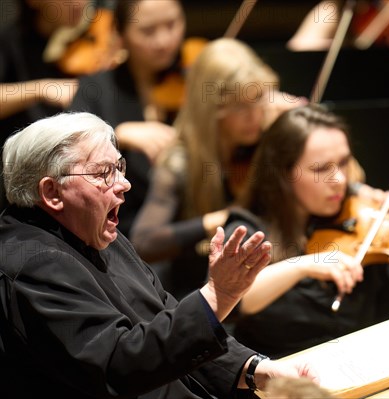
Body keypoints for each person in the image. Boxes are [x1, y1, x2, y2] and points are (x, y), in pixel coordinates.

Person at [0, 111, 317, 398]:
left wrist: (255, 369)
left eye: (119, 168)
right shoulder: (35, 264)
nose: (124, 184)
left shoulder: (98, 233)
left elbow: (165, 322)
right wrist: (217, 294)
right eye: (102, 174)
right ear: (52, 193)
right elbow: (120, 366)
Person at [223, 104, 389, 358]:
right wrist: (305, 265)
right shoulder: (249, 230)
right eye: (321, 168)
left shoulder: (365, 226)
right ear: (283, 173)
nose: (339, 180)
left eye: (344, 162)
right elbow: (235, 299)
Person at [129, 37, 308, 298]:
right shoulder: (179, 163)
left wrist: (300, 123)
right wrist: (219, 220)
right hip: (197, 294)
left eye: (258, 99)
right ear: (210, 108)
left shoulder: (264, 138)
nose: (254, 115)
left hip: (264, 286)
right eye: (240, 106)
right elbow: (143, 242)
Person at [69, 0, 198, 238]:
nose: (163, 41)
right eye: (147, 31)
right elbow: (67, 155)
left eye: (172, 24)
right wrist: (118, 134)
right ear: (121, 33)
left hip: (192, 227)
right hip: (118, 234)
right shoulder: (95, 88)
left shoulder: (197, 79)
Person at [0, 0, 104, 209]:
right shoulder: (10, 42)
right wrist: (41, 88)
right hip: (23, 182)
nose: (79, 3)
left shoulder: (92, 38)